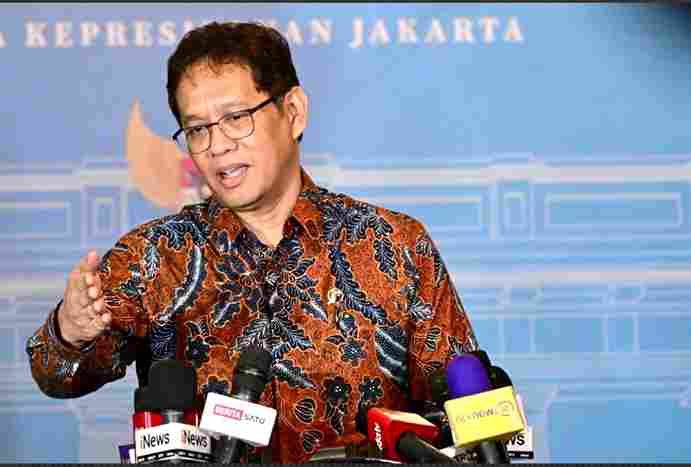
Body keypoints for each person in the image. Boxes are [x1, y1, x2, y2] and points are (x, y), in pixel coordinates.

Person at [26, 21, 479, 463]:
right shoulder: (156, 255)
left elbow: (464, 415)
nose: (216, 145)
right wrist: (71, 330)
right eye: (197, 129)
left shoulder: (394, 245)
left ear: (293, 112)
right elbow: (57, 375)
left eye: (236, 118)